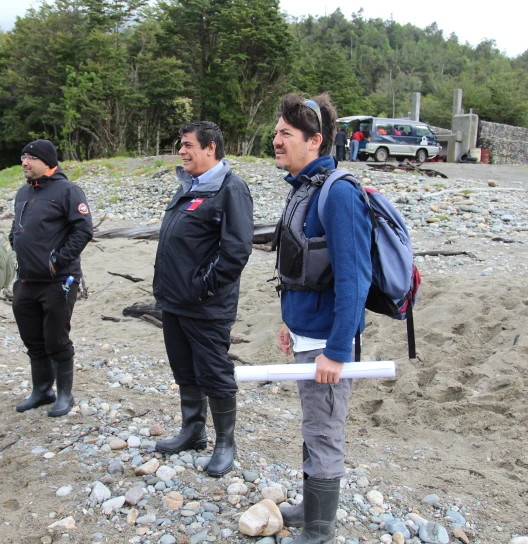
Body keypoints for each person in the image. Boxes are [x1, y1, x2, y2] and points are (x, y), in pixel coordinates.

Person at [271, 94, 372, 542]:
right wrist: (289, 324)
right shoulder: (303, 189)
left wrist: (336, 350)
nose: (276, 140)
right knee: (314, 423)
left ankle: (321, 528)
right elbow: (298, 270)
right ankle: (312, 505)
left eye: (285, 134)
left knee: (325, 429)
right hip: (305, 336)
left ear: (314, 141)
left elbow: (354, 280)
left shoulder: (339, 194)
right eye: (276, 132)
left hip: (328, 346)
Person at [152, 121, 254, 478]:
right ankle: (193, 431)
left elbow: (236, 252)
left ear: (210, 148)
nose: (181, 151)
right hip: (174, 302)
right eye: (181, 145)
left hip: (205, 306)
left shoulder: (231, 189)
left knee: (215, 373)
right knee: (184, 370)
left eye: (187, 145)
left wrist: (202, 287)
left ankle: (226, 442)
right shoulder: (189, 187)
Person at [10, 139, 93, 417]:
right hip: (25, 279)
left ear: (47, 160)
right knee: (32, 338)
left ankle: (64, 394)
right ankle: (42, 390)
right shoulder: (23, 192)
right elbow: (16, 229)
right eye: (23, 157)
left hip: (60, 280)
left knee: (55, 338)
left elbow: (83, 231)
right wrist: (15, 244)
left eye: (30, 157)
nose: (24, 162)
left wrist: (56, 262)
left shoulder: (68, 190)